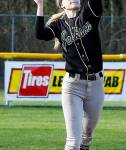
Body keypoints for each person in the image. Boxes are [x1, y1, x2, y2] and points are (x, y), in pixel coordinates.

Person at [34, 0, 104, 149]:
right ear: (62, 4)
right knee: (73, 142)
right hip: (72, 86)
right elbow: (40, 34)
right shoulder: (58, 25)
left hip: (96, 84)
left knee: (87, 135)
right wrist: (40, 5)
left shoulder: (88, 15)